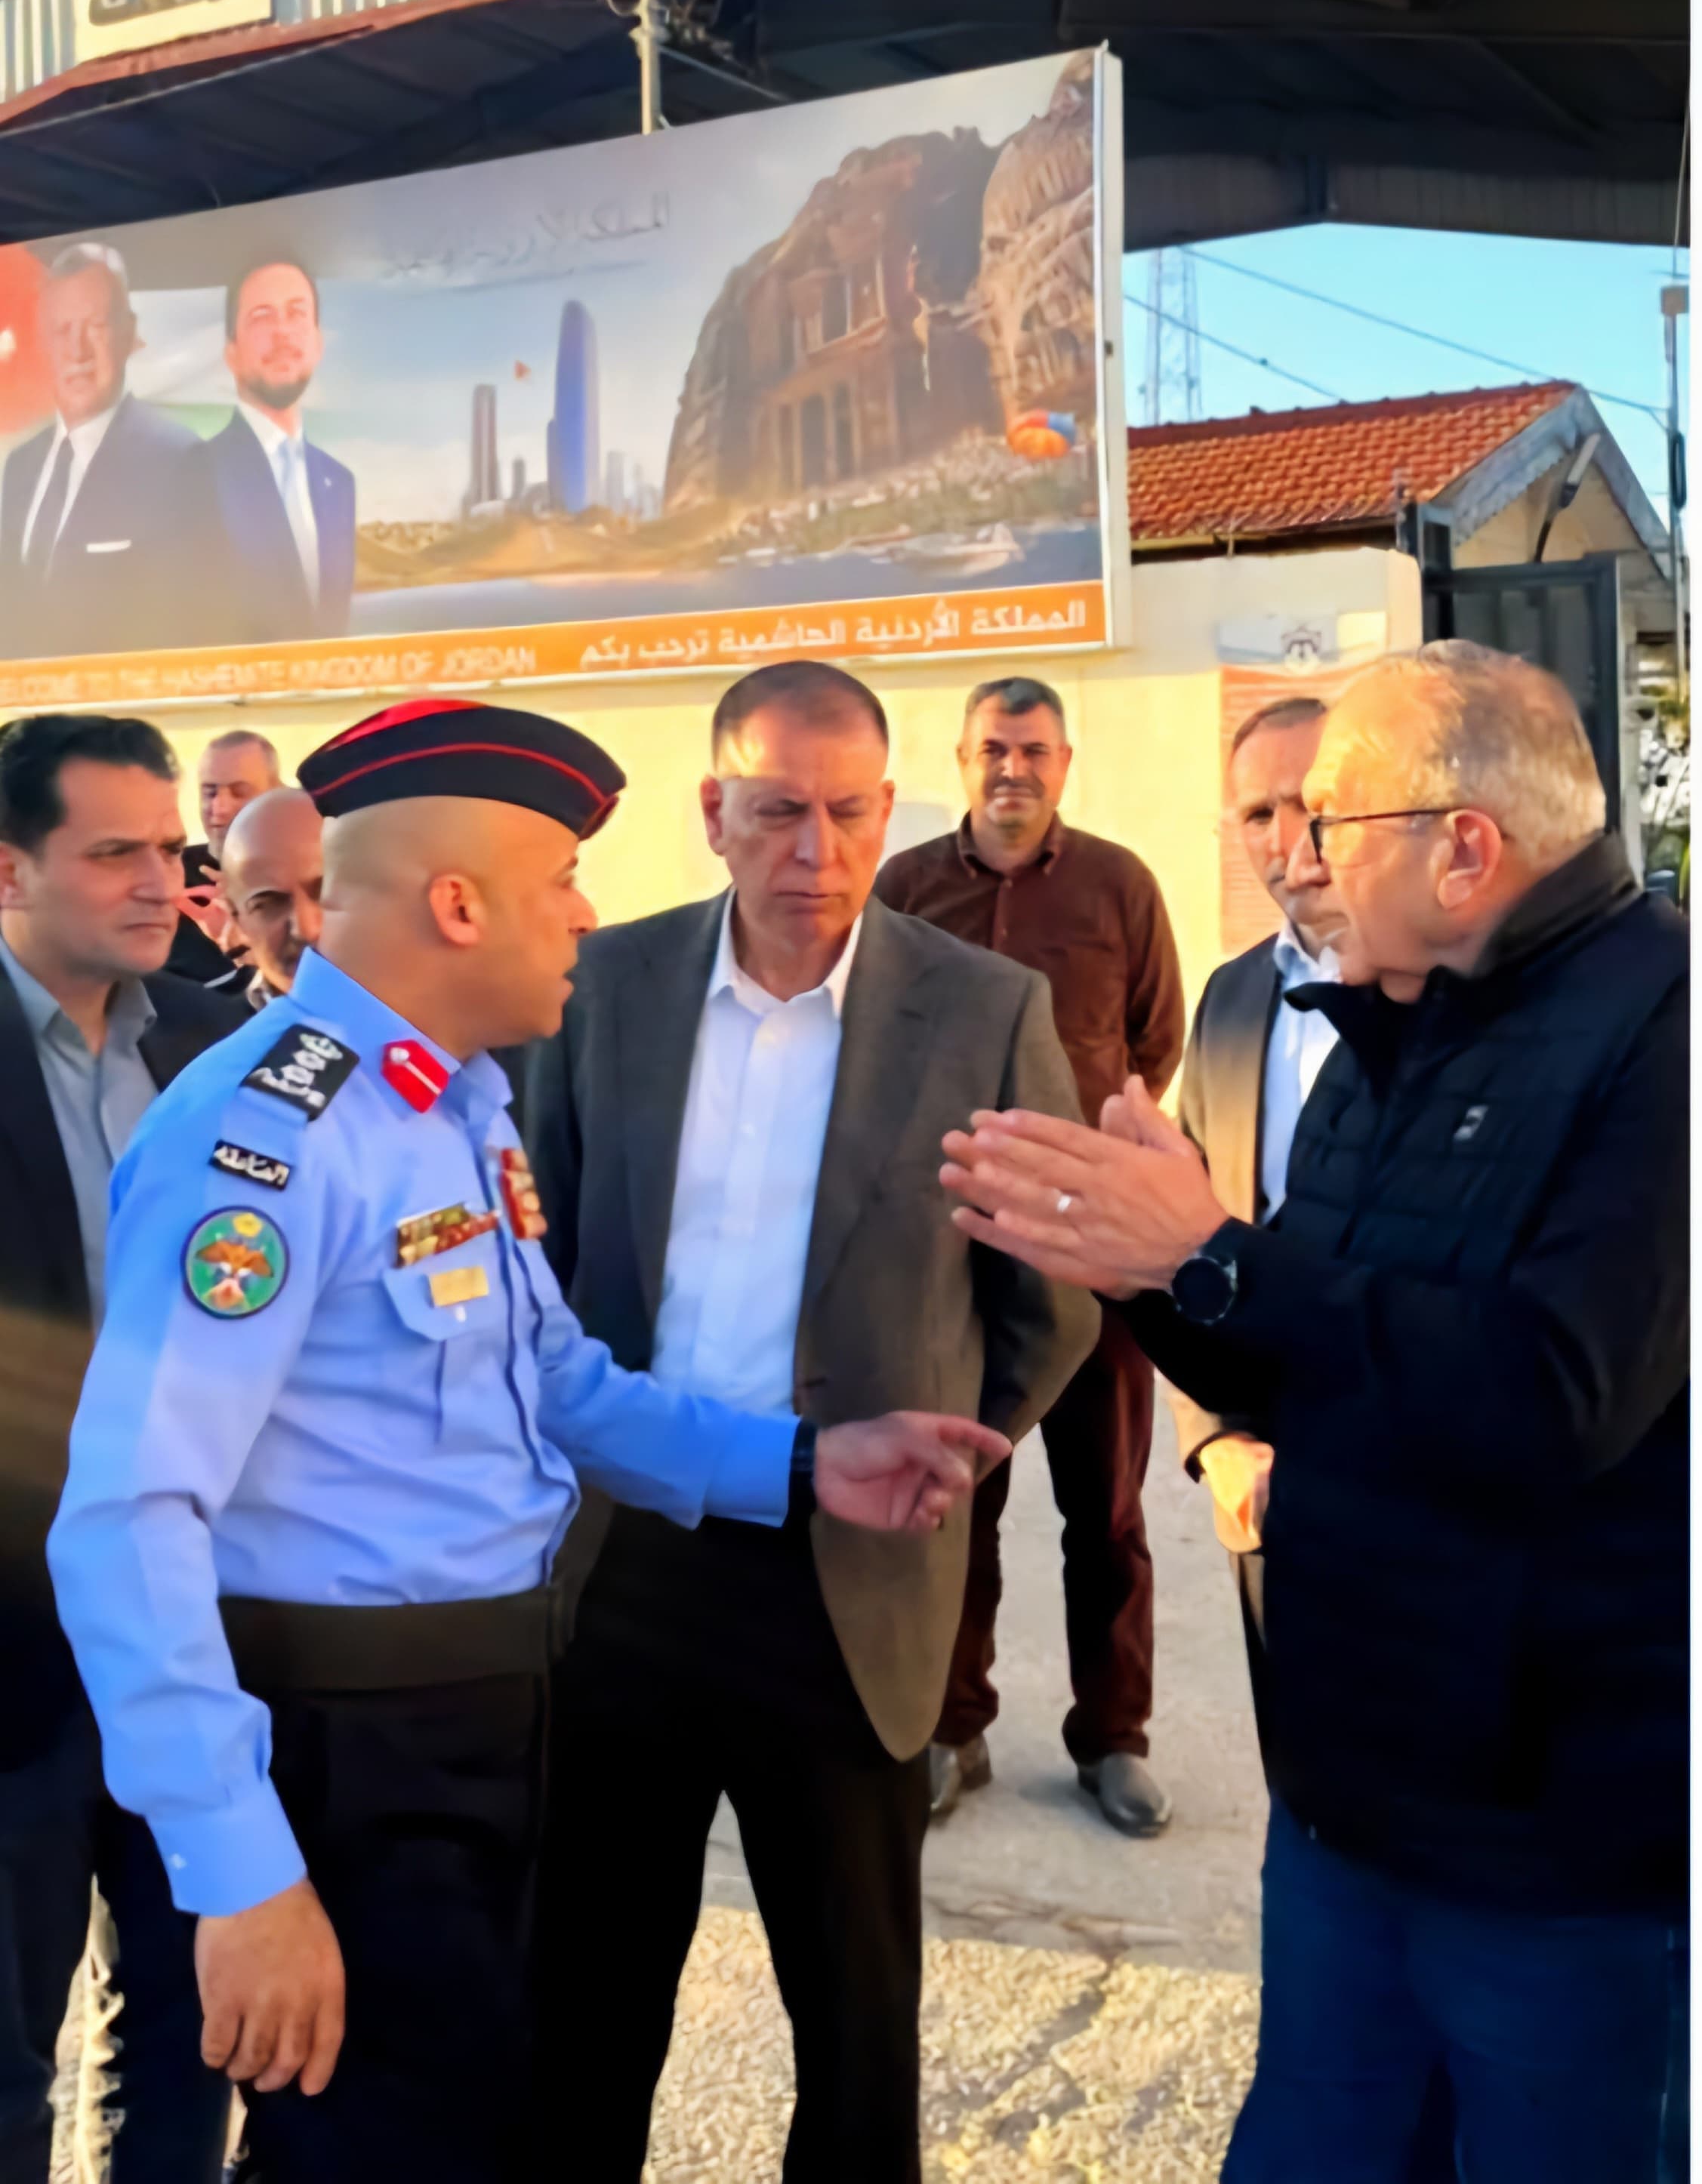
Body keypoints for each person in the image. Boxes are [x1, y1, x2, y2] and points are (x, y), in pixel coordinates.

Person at [46, 695, 1009, 2184]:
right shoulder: (268, 1136)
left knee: (477, 2126)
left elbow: (554, 1376)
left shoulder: (456, 1103)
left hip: (492, 1712)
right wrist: (242, 1872)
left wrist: (803, 1465)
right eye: (559, 877)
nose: (583, 912)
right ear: (456, 903)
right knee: (369, 2148)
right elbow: (129, 1513)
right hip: (352, 1753)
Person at [942, 641, 1688, 2184]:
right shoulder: (1384, 1023)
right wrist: (1144, 1269)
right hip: (1343, 1798)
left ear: (1461, 847)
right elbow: (1297, 1358)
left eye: (1326, 821)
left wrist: (1214, 1254)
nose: (1293, 858)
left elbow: (1550, 1398)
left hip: (1549, 1843)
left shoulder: (1659, 1026)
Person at [526, 660, 1096, 2183]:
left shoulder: (982, 1009)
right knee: (583, 2004)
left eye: (848, 812)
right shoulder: (601, 989)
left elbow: (1049, 1296)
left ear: (887, 806)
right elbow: (537, 1254)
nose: (814, 851)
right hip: (623, 1563)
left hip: (848, 1579)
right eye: (777, 810)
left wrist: (957, 1443)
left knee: (852, 2025)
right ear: (713, 809)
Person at [876, 676, 1183, 1834]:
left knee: (1105, 1514)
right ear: (963, 760)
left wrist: (1090, 1156)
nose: (1014, 769)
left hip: (1096, 1251)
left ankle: (1113, 1738)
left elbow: (1153, 1039)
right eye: (994, 749)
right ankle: (952, 1729)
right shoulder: (904, 890)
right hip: (957, 1252)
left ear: (1064, 764)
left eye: (1035, 751)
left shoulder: (1119, 887)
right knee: (960, 1503)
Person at [0, 713, 240, 2184]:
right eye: (114, 853)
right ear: (9, 869)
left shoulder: (225, 1048)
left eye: (171, 846)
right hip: (13, 1657)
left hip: (199, 1643)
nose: (162, 882)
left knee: (188, 2037)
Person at [1173, 695, 1340, 1612]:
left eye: (1313, 802)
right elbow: (1189, 1233)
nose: (1288, 838)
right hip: (1261, 1467)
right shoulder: (1230, 999)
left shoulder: (1463, 991)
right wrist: (1216, 1435)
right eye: (1256, 813)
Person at [0, 245, 199, 661]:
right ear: (43, 342)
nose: (78, 351)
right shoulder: (20, 466)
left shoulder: (180, 461)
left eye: (94, 326)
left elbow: (189, 624)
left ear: (128, 334)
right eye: (62, 330)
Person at [188, 261, 356, 642]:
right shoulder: (194, 475)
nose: (282, 332)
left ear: (318, 344)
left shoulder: (339, 483)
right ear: (231, 353)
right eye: (262, 317)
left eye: (296, 314)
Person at [167, 729, 285, 992]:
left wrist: (253, 943)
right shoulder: (168, 876)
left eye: (239, 792)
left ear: (276, 793)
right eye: (210, 793)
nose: (219, 809)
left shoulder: (313, 879)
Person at [217, 787, 323, 1006]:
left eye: (326, 893)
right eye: (269, 905)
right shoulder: (213, 1024)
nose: (305, 929)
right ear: (237, 918)